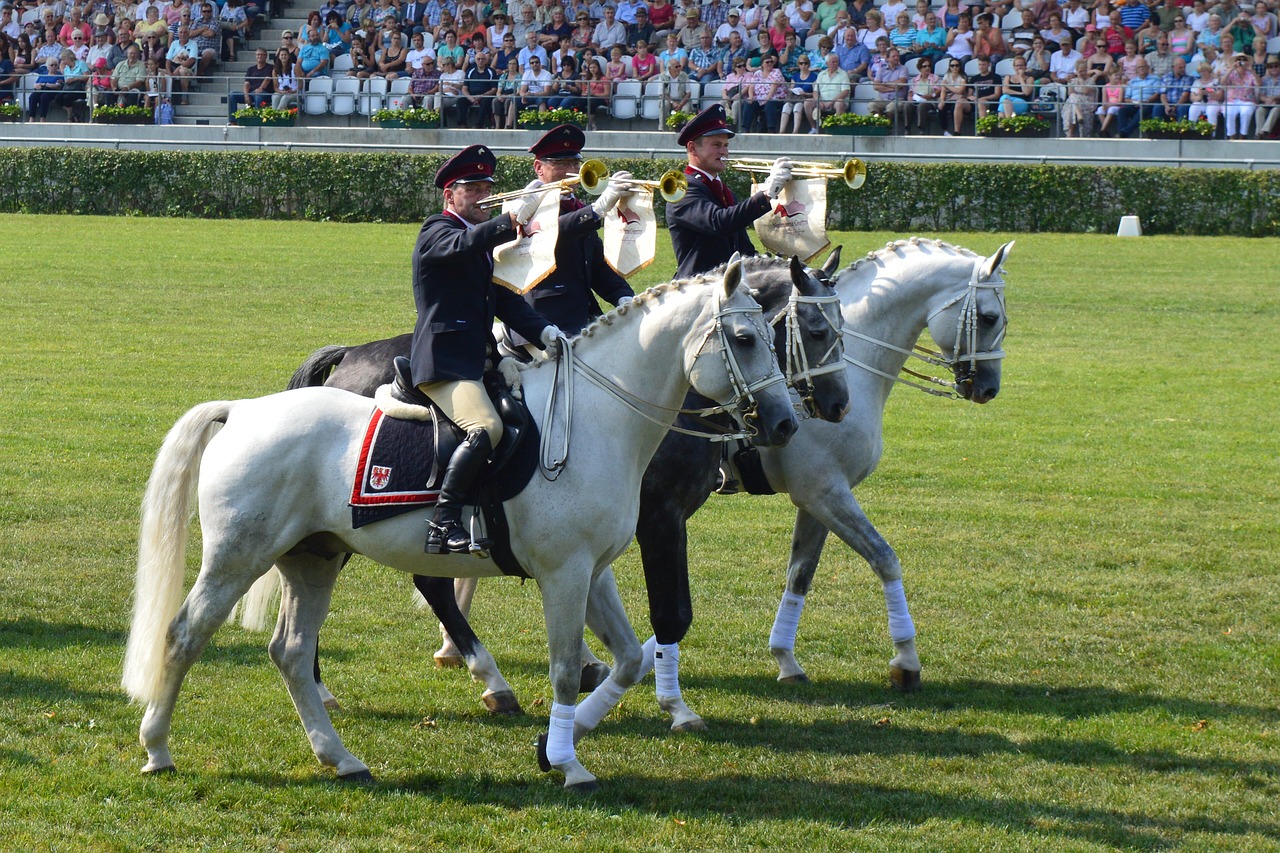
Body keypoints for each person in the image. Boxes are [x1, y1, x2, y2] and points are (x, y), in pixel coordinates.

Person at [411, 144, 559, 554]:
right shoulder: (436, 231)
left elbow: (505, 299)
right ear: (449, 196)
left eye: (487, 187)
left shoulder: (478, 247)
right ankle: (443, 519)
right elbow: (462, 245)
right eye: (472, 188)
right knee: (487, 428)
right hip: (444, 364)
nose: (482, 195)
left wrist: (544, 330)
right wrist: (508, 219)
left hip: (477, 360)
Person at [666, 104, 791, 279]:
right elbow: (719, 222)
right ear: (693, 148)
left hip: (727, 287)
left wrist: (777, 266)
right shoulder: (682, 188)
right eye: (717, 145)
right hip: (697, 288)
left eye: (726, 145)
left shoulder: (725, 191)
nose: (724, 152)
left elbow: (743, 248)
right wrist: (766, 194)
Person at [1116, 57, 1162, 135]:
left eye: (1143, 66)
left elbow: (1156, 94)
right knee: (1122, 111)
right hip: (1134, 103)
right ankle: (1122, 133)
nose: (1141, 69)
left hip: (1148, 103)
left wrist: (1146, 101)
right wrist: (1132, 101)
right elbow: (1126, 97)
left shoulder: (1155, 79)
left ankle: (1125, 132)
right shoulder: (1132, 81)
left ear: (1147, 67)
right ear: (1136, 69)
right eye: (1139, 67)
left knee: (1142, 111)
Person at [1221, 50, 1258, 138]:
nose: (1241, 61)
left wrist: (1252, 70)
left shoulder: (1250, 74)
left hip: (1247, 100)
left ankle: (1243, 136)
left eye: (1243, 59)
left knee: (1246, 112)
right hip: (1232, 100)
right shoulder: (1231, 73)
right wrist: (1231, 69)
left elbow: (1259, 84)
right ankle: (1232, 136)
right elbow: (1222, 83)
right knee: (1228, 112)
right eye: (1239, 59)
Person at [230, 45, 272, 118]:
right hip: (251, 93)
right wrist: (246, 95)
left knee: (258, 95)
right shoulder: (250, 69)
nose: (260, 56)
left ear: (266, 56)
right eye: (258, 54)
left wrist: (260, 88)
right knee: (232, 94)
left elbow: (267, 79)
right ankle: (233, 120)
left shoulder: (271, 67)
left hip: (265, 93)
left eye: (262, 55)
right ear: (256, 56)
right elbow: (246, 83)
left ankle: (257, 119)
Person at [459, 47, 496, 128]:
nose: (480, 61)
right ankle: (462, 124)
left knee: (486, 101)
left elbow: (494, 89)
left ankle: (479, 124)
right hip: (471, 96)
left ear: (486, 60)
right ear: (475, 60)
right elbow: (464, 88)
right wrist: (471, 98)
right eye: (478, 59)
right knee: (460, 101)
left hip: (485, 96)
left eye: (482, 59)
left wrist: (481, 96)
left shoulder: (491, 72)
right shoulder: (470, 71)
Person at [1062, 58, 1096, 136]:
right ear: (1076, 71)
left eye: (1084, 70)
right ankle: (1078, 115)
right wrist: (1069, 83)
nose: (1083, 73)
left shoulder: (1091, 80)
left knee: (1072, 102)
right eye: (1080, 71)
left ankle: (1070, 133)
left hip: (1087, 102)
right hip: (1076, 104)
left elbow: (1085, 91)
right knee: (1072, 99)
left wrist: (1081, 81)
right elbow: (1070, 93)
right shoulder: (1073, 80)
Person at [939, 56, 969, 135]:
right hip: (948, 99)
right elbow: (943, 90)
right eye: (952, 66)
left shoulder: (963, 77)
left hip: (958, 100)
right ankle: (945, 131)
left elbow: (960, 91)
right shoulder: (947, 76)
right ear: (950, 67)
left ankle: (956, 131)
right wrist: (941, 100)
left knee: (954, 109)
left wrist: (948, 86)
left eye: (957, 65)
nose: (954, 67)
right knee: (941, 109)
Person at [1254, 54, 1280, 136]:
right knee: (1259, 110)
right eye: (1271, 67)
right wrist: (1267, 100)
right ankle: (1258, 133)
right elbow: (1261, 95)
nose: (1273, 68)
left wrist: (1274, 98)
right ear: (1268, 69)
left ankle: (1264, 131)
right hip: (1267, 103)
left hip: (1278, 103)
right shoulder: (1264, 79)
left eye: (1276, 66)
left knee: (1276, 109)